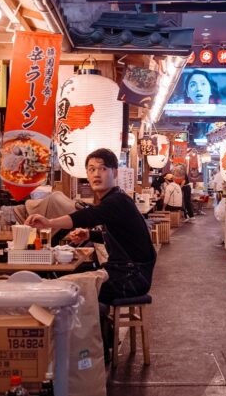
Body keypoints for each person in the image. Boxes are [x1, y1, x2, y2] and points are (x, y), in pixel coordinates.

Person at [26, 149, 156, 357]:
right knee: (72, 281)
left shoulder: (117, 201)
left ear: (114, 172)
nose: (96, 174)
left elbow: (88, 216)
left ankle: (86, 349)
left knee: (71, 290)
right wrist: (90, 235)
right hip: (125, 272)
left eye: (103, 169)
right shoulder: (114, 200)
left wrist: (50, 222)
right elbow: (119, 235)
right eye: (91, 169)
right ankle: (94, 340)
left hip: (132, 277)